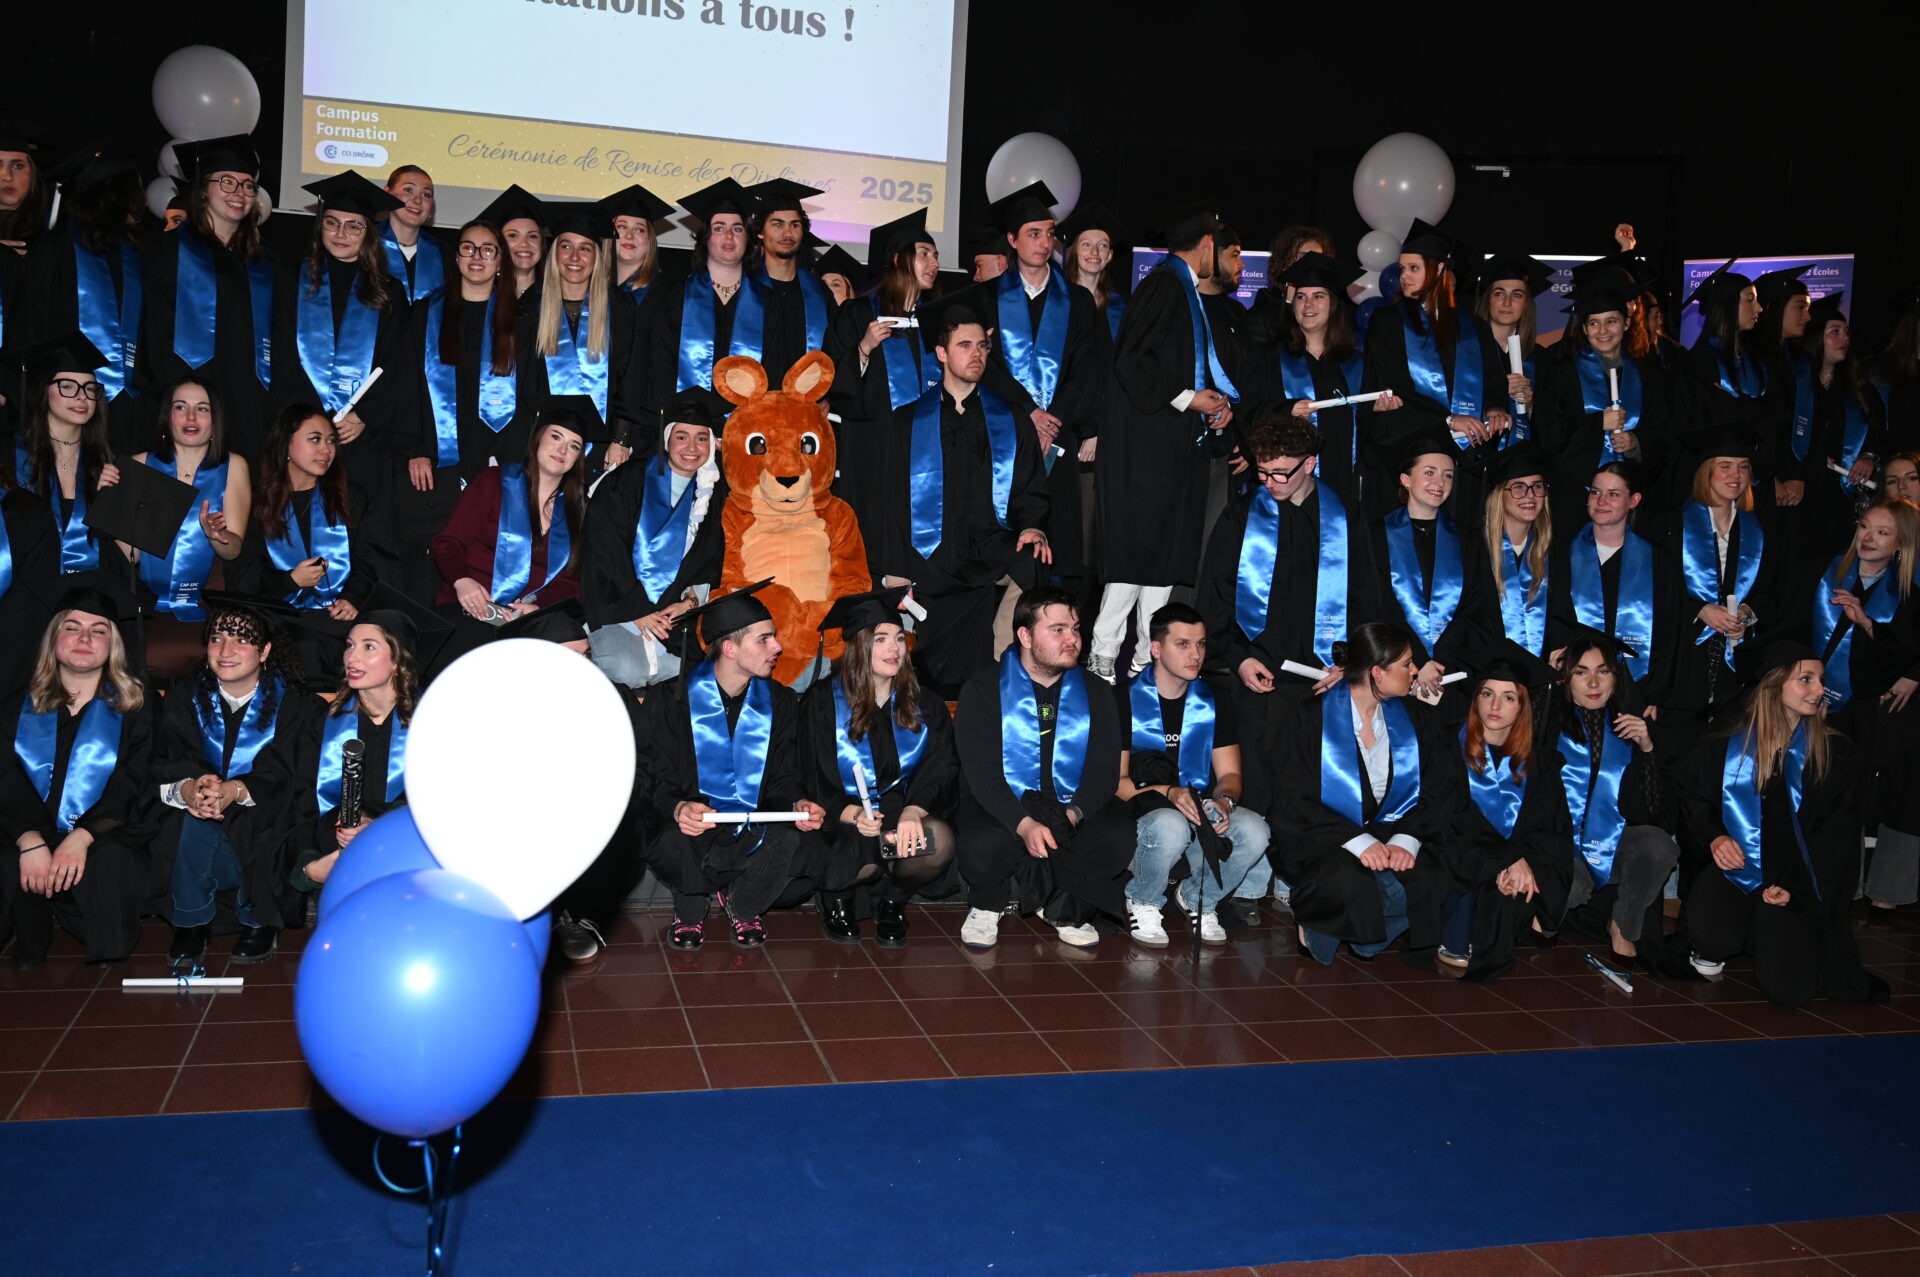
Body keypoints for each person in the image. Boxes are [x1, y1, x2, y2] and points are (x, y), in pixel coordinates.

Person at [1679, 643, 1884, 1007]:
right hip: (1739, 870)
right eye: (1805, 680)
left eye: (1820, 680)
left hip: (1797, 881)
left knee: (1789, 991)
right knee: (1711, 934)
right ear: (1773, 685)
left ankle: (1773, 934)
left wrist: (1795, 888)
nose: (1819, 689)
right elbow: (1694, 798)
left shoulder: (1835, 754)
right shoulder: (1726, 744)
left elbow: (1837, 836)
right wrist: (1715, 837)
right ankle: (1736, 933)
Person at [868, 287, 1050, 695]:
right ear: (942, 353)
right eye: (964, 345)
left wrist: (1031, 526)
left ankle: (1010, 675)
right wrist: (894, 571)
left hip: (989, 545)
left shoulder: (1010, 421)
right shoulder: (907, 423)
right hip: (931, 554)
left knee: (1033, 561)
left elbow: (1029, 487)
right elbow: (889, 504)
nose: (977, 354)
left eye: (983, 346)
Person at [1198, 416, 1386, 810]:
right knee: (1260, 794)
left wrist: (1352, 666)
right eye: (1263, 472)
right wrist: (1239, 658)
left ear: (1310, 463)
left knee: (1317, 796)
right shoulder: (1241, 517)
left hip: (1326, 683)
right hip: (1260, 683)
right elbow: (1217, 597)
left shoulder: (1347, 517)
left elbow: (1369, 598)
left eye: (1282, 473)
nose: (1270, 483)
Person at [1091, 202, 1238, 682]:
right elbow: (1132, 364)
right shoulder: (1162, 287)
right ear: (1208, 246)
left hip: (1171, 454)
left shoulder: (1181, 288)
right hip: (1144, 457)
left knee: (1161, 562)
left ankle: (1142, 660)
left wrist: (1210, 405)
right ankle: (1104, 653)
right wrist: (1188, 398)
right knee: (1137, 558)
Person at [634, 581, 824, 949]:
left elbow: (784, 774)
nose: (778, 648)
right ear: (730, 647)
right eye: (764, 639)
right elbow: (651, 774)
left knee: (795, 839)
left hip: (749, 824)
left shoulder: (780, 702)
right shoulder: (670, 700)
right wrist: (677, 807)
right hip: (691, 828)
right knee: (672, 835)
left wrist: (797, 802)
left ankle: (744, 903)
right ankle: (689, 910)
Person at [1269, 621, 1458, 967]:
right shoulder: (1309, 718)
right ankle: (1343, 923)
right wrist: (1358, 841)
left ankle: (1363, 929)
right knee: (1349, 879)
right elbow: (1292, 798)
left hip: (1390, 834)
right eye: (1406, 664)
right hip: (1326, 837)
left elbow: (1439, 787)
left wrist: (1407, 837)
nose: (1415, 671)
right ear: (1377, 673)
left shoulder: (1417, 719)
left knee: (1432, 877)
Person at [952, 586, 1131, 950]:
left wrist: (1073, 813)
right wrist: (1025, 823)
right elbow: (981, 774)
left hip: (1069, 802)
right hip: (1008, 800)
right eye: (1059, 629)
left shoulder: (1097, 693)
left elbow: (1103, 770)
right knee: (982, 835)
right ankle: (988, 902)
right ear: (1025, 635)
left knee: (1117, 830)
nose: (1072, 640)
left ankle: (1066, 905)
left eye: (1076, 629)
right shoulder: (984, 689)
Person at [151, 596, 318, 964]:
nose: (225, 650)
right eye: (217, 638)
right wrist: (191, 789)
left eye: (242, 639)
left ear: (265, 651)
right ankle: (192, 923)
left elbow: (294, 779)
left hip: (265, 829)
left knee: (256, 817)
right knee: (192, 817)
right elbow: (164, 762)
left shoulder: (297, 706)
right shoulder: (183, 696)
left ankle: (256, 917)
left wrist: (237, 790)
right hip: (199, 832)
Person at [0, 578, 156, 969]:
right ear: (53, 639)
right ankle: (30, 939)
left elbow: (132, 781)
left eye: (98, 630)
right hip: (22, 830)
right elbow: (4, 773)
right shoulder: (16, 703)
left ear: (113, 644)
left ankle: (105, 950)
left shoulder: (136, 706)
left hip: (102, 833)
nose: (84, 637)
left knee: (113, 857)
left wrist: (81, 836)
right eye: (72, 627)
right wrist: (30, 838)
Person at [802, 587, 959, 947]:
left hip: (901, 812)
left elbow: (941, 768)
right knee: (852, 845)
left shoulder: (925, 705)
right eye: (882, 639)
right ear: (859, 646)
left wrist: (913, 812)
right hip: (844, 817)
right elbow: (814, 773)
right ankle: (837, 898)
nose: (895, 649)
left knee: (938, 841)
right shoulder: (824, 703)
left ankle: (893, 902)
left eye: (899, 639)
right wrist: (853, 814)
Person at [974, 181, 1107, 594]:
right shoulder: (986, 297)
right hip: (1003, 435)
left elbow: (1087, 372)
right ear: (1012, 241)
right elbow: (986, 369)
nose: (1043, 241)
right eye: (1033, 233)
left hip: (1058, 439)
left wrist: (1051, 423)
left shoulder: (1078, 302)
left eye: (1049, 233)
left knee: (1058, 551)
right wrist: (1028, 415)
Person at [1117, 603, 1270, 947]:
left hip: (1196, 809)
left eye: (1201, 644)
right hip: (1140, 818)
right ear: (1156, 648)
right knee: (1169, 824)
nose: (1195, 654)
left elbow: (1230, 774)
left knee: (1255, 830)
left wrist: (1224, 801)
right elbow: (1117, 785)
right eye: (1183, 644)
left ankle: (1200, 897)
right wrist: (1168, 793)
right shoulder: (1121, 699)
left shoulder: (1214, 700)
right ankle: (1143, 899)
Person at [259, 604, 437, 898]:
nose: (352, 657)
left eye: (369, 647)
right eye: (350, 645)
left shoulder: (432, 723)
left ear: (398, 660)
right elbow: (302, 801)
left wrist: (376, 826)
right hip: (333, 844)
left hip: (410, 850)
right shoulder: (321, 723)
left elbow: (442, 805)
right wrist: (317, 852)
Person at [270, 173, 410, 527]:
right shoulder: (292, 279)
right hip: (302, 431)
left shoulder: (389, 293)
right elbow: (283, 352)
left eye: (354, 226)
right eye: (332, 223)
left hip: (360, 435)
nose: (341, 234)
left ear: (368, 235)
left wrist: (364, 416)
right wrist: (308, 420)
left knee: (360, 524)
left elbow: (398, 366)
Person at [404, 217, 525, 600]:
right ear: (455, 259)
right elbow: (406, 389)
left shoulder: (520, 322)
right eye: (468, 249)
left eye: (488, 250)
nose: (477, 257)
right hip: (437, 460)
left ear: (500, 262)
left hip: (495, 461)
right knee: (433, 556)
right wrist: (416, 448)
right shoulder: (425, 314)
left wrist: (508, 461)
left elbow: (530, 399)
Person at [138, 135, 279, 459]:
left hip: (248, 402)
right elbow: (154, 327)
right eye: (227, 182)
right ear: (203, 189)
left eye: (247, 186)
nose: (239, 194)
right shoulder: (168, 251)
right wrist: (173, 390)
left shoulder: (265, 264)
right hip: (187, 398)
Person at [232, 403, 395, 683]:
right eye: (315, 439)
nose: (326, 450)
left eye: (331, 441)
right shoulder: (258, 504)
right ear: (285, 444)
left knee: (382, 639)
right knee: (306, 646)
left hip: (343, 615)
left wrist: (353, 598)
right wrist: (289, 580)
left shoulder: (350, 498)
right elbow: (243, 575)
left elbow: (370, 558)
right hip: (282, 616)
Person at [430, 396, 599, 657]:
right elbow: (448, 542)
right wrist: (462, 581)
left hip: (526, 617)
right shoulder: (494, 483)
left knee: (570, 643)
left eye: (574, 446)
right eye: (556, 437)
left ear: (578, 458)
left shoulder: (578, 510)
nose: (562, 450)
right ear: (538, 438)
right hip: (471, 606)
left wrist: (540, 607)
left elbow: (571, 581)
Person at [1363, 219, 1511, 516]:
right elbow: (1394, 385)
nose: (1403, 276)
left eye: (1413, 268)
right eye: (1402, 268)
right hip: (1414, 449)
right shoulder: (1388, 322)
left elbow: (1494, 381)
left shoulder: (1473, 326)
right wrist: (1447, 419)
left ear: (1440, 270)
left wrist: (1496, 407)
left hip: (1467, 456)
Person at [1441, 641, 1571, 979]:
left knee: (1514, 889)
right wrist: (1505, 859)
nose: (1495, 705)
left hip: (1510, 870)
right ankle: (1457, 936)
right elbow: (1446, 817)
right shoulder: (1444, 747)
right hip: (1457, 857)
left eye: (1508, 697)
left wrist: (1518, 863)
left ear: (1522, 705)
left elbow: (1551, 831)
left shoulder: (1539, 765)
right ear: (1475, 698)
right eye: (1487, 694)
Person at [583, 387, 728, 688]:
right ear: (666, 439)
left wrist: (688, 604)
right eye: (681, 436)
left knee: (688, 677)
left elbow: (710, 561)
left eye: (702, 438)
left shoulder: (710, 496)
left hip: (672, 623)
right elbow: (603, 549)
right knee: (627, 670)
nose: (692, 447)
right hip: (617, 611)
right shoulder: (626, 481)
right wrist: (638, 610)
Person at [1552, 628, 1681, 964]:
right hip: (1557, 847)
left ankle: (1623, 924)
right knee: (1569, 886)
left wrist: (1648, 749)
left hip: (1612, 846)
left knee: (1657, 843)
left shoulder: (1630, 728)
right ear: (1566, 678)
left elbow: (1652, 815)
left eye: (1603, 671)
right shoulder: (1545, 722)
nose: (1593, 684)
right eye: (1581, 672)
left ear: (1616, 677)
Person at [1655, 427, 1778, 746]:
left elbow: (1772, 592)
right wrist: (1699, 609)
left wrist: (1748, 615)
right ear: (1705, 471)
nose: (1735, 475)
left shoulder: (1760, 530)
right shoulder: (1670, 525)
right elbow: (1654, 593)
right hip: (1683, 654)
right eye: (1725, 465)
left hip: (1735, 663)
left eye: (1743, 466)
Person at [22, 148, 149, 454]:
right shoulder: (56, 248)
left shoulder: (137, 255)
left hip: (130, 404)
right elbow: (32, 325)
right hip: (67, 403)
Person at [1256, 251, 1403, 514]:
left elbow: (1371, 436)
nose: (1308, 305)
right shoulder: (1269, 359)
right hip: (1288, 490)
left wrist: (1377, 411)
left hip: (1346, 485)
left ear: (1334, 304)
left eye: (1318, 296)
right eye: (1301, 297)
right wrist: (1286, 409)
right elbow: (1249, 414)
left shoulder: (1357, 364)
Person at [822, 207, 941, 529]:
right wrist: (864, 348)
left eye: (936, 255)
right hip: (873, 445)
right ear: (900, 260)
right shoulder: (858, 314)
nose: (935, 263)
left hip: (929, 444)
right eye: (925, 254)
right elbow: (830, 378)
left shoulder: (938, 319)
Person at [123, 378, 252, 673]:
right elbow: (129, 553)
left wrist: (217, 536)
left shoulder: (234, 466)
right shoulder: (139, 464)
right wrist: (110, 503)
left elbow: (233, 551)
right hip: (145, 598)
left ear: (215, 418)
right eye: (180, 407)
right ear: (167, 416)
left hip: (207, 600)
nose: (191, 418)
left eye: (202, 409)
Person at [1368, 433, 1498, 721]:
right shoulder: (1375, 536)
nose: (1439, 484)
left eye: (1448, 475)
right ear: (1405, 479)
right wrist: (1416, 660)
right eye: (1429, 473)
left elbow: (1478, 606)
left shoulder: (1467, 539)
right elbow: (1376, 604)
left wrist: (1439, 661)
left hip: (1451, 675)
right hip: (1392, 673)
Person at [1535, 278, 1676, 530]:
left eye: (1611, 321)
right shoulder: (1562, 373)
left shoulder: (1647, 375)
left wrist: (1636, 443)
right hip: (1575, 496)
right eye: (1594, 323)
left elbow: (1664, 431)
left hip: (1632, 498)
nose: (1603, 331)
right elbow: (1548, 434)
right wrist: (1598, 423)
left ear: (1627, 322)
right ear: (1585, 329)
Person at [1549, 460, 1681, 713]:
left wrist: (1655, 693)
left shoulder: (1658, 560)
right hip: (1571, 689)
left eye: (1613, 494)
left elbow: (1669, 631)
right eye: (1595, 492)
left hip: (1636, 689)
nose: (1601, 501)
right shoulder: (1560, 553)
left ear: (1634, 500)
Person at [519, 199, 643, 463]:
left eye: (585, 248)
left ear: (597, 256)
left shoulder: (620, 308)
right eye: (566, 247)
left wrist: (621, 439)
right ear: (554, 253)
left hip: (606, 448)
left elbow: (632, 378)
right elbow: (524, 386)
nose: (575, 257)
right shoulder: (530, 309)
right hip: (543, 448)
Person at [646, 178, 785, 405]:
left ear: (748, 238)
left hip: (745, 427)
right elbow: (661, 364)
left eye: (737, 229)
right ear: (705, 237)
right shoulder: (675, 295)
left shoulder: (768, 302)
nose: (729, 236)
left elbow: (774, 371)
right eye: (719, 228)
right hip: (686, 425)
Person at [10, 332, 114, 575]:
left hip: (86, 596)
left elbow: (124, 555)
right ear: (43, 391)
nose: (82, 396)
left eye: (90, 388)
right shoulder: (11, 455)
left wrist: (107, 505)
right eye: (67, 386)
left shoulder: (105, 463)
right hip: (23, 595)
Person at [1798, 292, 1889, 558]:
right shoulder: (1798, 386)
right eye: (1835, 332)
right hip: (1805, 491)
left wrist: (1868, 458)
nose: (1844, 339)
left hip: (1843, 498)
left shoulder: (1857, 388)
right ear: (1816, 337)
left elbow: (1880, 433)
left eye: (1846, 333)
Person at [745, 178, 837, 366]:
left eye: (795, 225)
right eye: (778, 225)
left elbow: (834, 353)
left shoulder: (819, 294)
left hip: (806, 394)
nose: (788, 234)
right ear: (760, 231)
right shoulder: (743, 288)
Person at [1471, 251, 1553, 444]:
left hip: (1522, 462)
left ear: (1526, 304)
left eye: (1517, 295)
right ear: (1487, 299)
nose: (1507, 302)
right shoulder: (1464, 351)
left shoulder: (1542, 359)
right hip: (1474, 453)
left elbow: (1552, 427)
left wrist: (1530, 405)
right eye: (1499, 293)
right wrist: (1498, 388)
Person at [1481, 443, 1554, 656]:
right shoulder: (1475, 551)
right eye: (1518, 487)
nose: (1530, 495)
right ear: (1499, 495)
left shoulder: (1554, 552)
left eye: (1537, 486)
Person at [1055, 199, 1131, 342]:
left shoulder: (1122, 304)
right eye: (1086, 244)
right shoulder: (1057, 299)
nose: (1094, 252)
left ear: (1109, 256)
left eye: (1102, 246)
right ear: (1075, 251)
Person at [379, 164, 445, 304]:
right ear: (387, 193)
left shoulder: (443, 254)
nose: (417, 200)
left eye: (426, 195)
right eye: (408, 190)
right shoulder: (366, 246)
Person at [604, 183, 673, 304]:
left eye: (639, 229)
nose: (629, 235)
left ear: (649, 240)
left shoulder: (667, 294)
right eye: (622, 227)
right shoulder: (589, 288)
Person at [479, 184, 546, 301]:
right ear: (498, 244)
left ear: (541, 244)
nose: (524, 243)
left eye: (533, 236)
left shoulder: (556, 296)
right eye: (513, 235)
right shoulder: (483, 295)